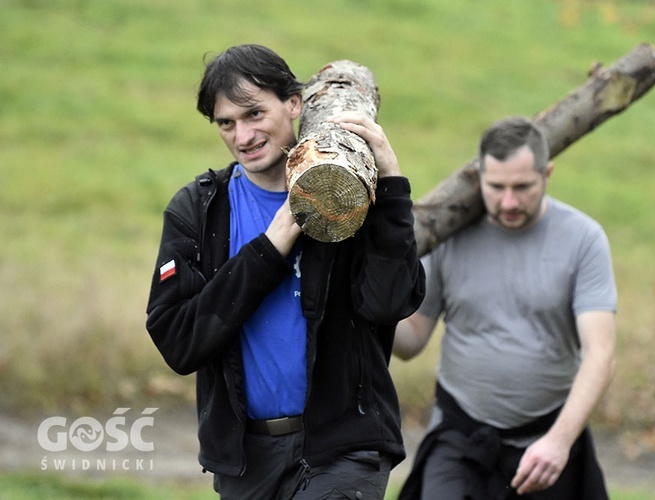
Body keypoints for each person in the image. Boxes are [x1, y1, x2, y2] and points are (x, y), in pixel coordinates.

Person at [145, 44, 425, 499]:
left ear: (294, 103)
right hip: (245, 461)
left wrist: (391, 185)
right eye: (226, 123)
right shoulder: (198, 209)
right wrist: (269, 249)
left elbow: (389, 304)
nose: (243, 135)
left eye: (255, 114)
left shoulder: (344, 191)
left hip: (343, 451)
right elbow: (178, 341)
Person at [394, 116, 617, 499]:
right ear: (478, 176)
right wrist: (372, 309)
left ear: (547, 174)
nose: (509, 202)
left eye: (523, 187)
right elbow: (412, 340)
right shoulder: (447, 236)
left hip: (546, 441)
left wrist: (560, 442)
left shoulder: (584, 239)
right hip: (459, 438)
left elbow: (601, 354)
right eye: (496, 187)